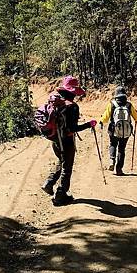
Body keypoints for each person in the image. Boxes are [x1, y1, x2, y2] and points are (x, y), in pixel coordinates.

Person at [41, 76, 97, 206]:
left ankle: (48, 183)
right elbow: (72, 128)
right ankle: (61, 196)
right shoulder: (72, 106)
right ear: (73, 91)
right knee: (67, 167)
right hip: (67, 142)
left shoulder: (55, 102)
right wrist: (89, 124)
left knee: (61, 161)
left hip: (55, 140)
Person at [99, 86, 137, 176]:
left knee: (113, 144)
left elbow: (105, 118)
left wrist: (101, 121)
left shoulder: (112, 104)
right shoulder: (129, 105)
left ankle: (112, 160)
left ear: (116, 95)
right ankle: (119, 169)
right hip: (126, 132)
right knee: (122, 149)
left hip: (113, 130)